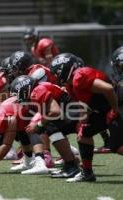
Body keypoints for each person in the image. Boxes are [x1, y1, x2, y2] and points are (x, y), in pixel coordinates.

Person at [50, 53, 123, 182]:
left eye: (57, 72)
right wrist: (82, 122)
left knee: (115, 145)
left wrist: (115, 110)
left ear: (65, 68)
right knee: (84, 133)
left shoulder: (80, 76)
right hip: (103, 110)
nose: (56, 76)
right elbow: (84, 105)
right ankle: (87, 173)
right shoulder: (71, 84)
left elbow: (109, 89)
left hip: (116, 105)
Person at [12, 75, 80, 178]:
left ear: (25, 89)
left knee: (50, 127)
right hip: (71, 110)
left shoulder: (37, 91)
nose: (18, 97)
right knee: (49, 126)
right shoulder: (37, 89)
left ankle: (71, 166)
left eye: (18, 93)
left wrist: (39, 125)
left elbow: (55, 112)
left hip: (75, 111)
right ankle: (71, 162)